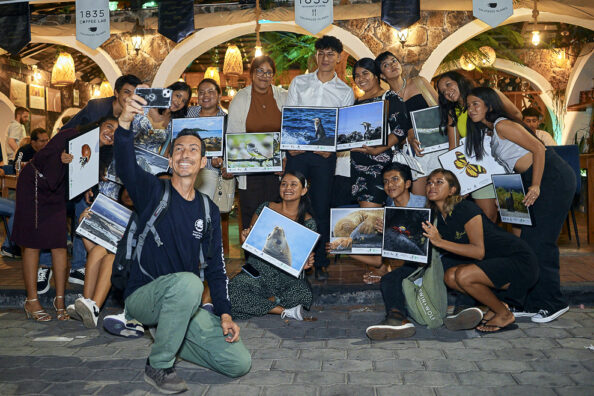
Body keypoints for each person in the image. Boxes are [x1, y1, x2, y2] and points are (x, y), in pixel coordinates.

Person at [113, 93, 251, 393]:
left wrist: (225, 314)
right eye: (179, 149)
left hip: (184, 304)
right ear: (171, 158)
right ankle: (158, 366)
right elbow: (125, 167)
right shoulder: (153, 191)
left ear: (203, 161)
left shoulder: (207, 208)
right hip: (144, 297)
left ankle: (168, 334)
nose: (185, 154)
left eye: (193, 150)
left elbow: (216, 267)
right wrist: (124, 122)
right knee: (189, 283)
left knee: (238, 363)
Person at [465, 87, 575, 323]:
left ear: (489, 105)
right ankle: (530, 302)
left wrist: (535, 185)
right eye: (469, 105)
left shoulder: (503, 124)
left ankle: (554, 302)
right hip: (526, 181)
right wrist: (505, 195)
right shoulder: (492, 131)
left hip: (550, 178)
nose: (471, 109)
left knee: (541, 242)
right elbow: (511, 164)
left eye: (476, 104)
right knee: (526, 244)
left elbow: (539, 148)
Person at [421, 169, 538, 333]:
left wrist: (440, 242)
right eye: (429, 182)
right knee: (450, 277)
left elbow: (478, 252)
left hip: (519, 261)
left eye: (439, 182)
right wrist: (389, 230)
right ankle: (497, 305)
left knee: (463, 275)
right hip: (495, 265)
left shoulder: (465, 208)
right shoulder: (438, 217)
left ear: (452, 190)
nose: (432, 186)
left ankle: (504, 314)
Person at [285, 35, 355, 280]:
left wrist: (333, 148)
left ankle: (322, 261)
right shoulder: (299, 83)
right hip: (298, 154)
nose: (325, 58)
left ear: (338, 58)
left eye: (330, 54)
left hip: (325, 156)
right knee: (292, 205)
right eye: (321, 53)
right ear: (316, 56)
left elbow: (343, 127)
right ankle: (291, 260)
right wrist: (289, 146)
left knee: (321, 206)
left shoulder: (345, 91)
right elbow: (291, 116)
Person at [63, 74, 142, 286]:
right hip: (79, 163)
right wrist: (86, 175)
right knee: (84, 206)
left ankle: (101, 262)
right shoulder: (98, 108)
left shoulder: (134, 116)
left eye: (135, 94)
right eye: (126, 92)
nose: (130, 97)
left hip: (103, 170)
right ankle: (79, 266)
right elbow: (79, 136)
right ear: (116, 93)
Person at [12, 127, 79, 322]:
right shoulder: (71, 133)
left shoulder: (103, 143)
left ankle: (60, 301)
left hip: (56, 189)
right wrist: (60, 157)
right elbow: (45, 158)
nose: (111, 133)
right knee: (32, 243)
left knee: (59, 243)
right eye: (108, 127)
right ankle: (31, 300)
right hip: (34, 183)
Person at [436, 71, 521, 223]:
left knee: (514, 215)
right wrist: (460, 180)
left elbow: (516, 115)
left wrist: (496, 129)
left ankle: (516, 247)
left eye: (448, 84)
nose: (447, 91)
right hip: (479, 169)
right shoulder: (452, 113)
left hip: (505, 163)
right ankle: (489, 247)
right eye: (443, 91)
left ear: (460, 81)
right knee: (488, 216)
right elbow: (453, 149)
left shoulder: (488, 95)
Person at [228, 171, 315, 320]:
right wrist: (245, 238)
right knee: (233, 290)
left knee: (303, 295)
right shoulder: (266, 208)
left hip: (286, 277)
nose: (288, 188)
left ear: (304, 190)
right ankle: (282, 310)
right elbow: (250, 242)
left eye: (294, 184)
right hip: (258, 270)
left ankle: (265, 302)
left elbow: (302, 259)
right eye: (284, 184)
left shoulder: (308, 222)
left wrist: (306, 264)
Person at [227, 56, 287, 229]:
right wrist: (231, 164)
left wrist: (285, 159)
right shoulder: (240, 98)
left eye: (268, 72)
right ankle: (251, 256)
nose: (264, 75)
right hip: (249, 172)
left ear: (273, 76)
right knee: (251, 216)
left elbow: (289, 131)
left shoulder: (283, 96)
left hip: (276, 171)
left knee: (276, 218)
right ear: (252, 74)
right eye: (259, 71)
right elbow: (233, 133)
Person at [68, 187, 134, 329]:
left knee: (111, 259)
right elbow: (92, 252)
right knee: (98, 250)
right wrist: (84, 224)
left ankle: (94, 307)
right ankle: (87, 304)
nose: (128, 195)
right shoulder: (113, 214)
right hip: (114, 262)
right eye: (126, 192)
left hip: (133, 266)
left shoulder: (142, 216)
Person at [375, 52, 440, 195]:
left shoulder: (419, 82)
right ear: (382, 75)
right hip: (412, 154)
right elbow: (392, 131)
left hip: (436, 145)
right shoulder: (385, 100)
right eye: (386, 65)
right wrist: (406, 138)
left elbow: (442, 109)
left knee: (442, 195)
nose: (392, 65)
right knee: (420, 200)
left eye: (394, 61)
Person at [349, 57, 411, 208]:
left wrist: (378, 150)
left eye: (365, 73)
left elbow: (401, 128)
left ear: (376, 75)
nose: (360, 78)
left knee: (370, 213)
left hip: (380, 165)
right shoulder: (356, 102)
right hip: (358, 165)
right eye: (357, 75)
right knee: (370, 216)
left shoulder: (390, 97)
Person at [1, 129, 51, 262]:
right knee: (20, 207)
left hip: (40, 189)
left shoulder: (49, 151)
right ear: (33, 142)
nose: (46, 143)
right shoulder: (24, 150)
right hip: (21, 188)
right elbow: (16, 168)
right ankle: (10, 246)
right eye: (42, 140)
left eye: (47, 140)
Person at [187, 78, 227, 200]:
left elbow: (229, 148)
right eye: (202, 92)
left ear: (219, 95)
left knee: (200, 205)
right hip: (186, 167)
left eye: (210, 91)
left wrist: (222, 161)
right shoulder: (188, 113)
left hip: (209, 170)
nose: (206, 95)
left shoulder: (226, 119)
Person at [133, 81, 191, 155]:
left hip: (150, 164)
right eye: (178, 96)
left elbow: (166, 150)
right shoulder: (145, 107)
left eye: (184, 101)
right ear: (169, 92)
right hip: (126, 156)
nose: (179, 102)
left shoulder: (173, 123)